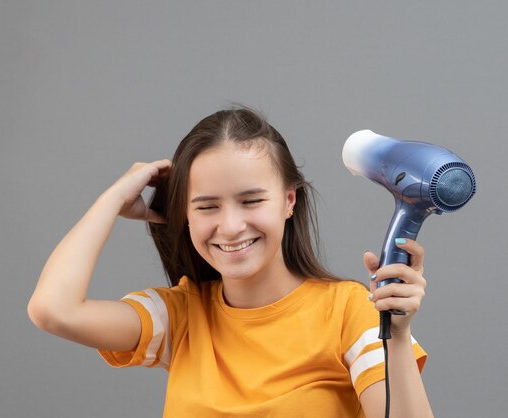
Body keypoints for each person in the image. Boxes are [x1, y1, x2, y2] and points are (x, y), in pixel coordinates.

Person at [27, 106, 433, 417]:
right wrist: (112, 199)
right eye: (206, 207)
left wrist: (395, 337)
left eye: (251, 200)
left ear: (288, 201)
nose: (231, 226)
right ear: (184, 214)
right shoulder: (180, 318)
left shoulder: (349, 312)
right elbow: (53, 311)